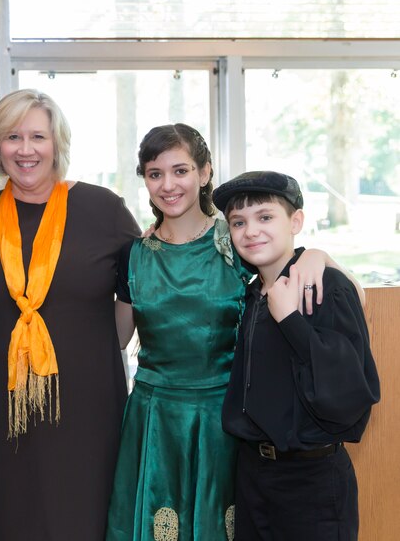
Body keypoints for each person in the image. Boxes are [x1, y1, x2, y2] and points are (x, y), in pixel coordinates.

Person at [105, 125, 346, 541]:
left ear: (204, 172)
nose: (168, 184)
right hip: (153, 419)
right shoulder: (133, 255)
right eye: (154, 173)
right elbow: (115, 340)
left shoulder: (238, 243)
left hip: (226, 419)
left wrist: (318, 257)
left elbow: (346, 291)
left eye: (180, 170)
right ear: (144, 179)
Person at [0, 89, 140, 540]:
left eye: (38, 136)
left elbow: (163, 272)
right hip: (1, 413)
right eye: (13, 137)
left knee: (85, 520)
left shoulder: (104, 210)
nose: (26, 150)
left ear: (57, 143)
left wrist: (310, 256)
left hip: (88, 411)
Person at [214, 171, 379, 541]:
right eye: (238, 222)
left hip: (311, 482)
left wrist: (290, 318)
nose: (251, 231)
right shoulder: (252, 292)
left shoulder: (324, 286)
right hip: (254, 475)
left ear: (296, 221)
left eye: (265, 217)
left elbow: (346, 392)